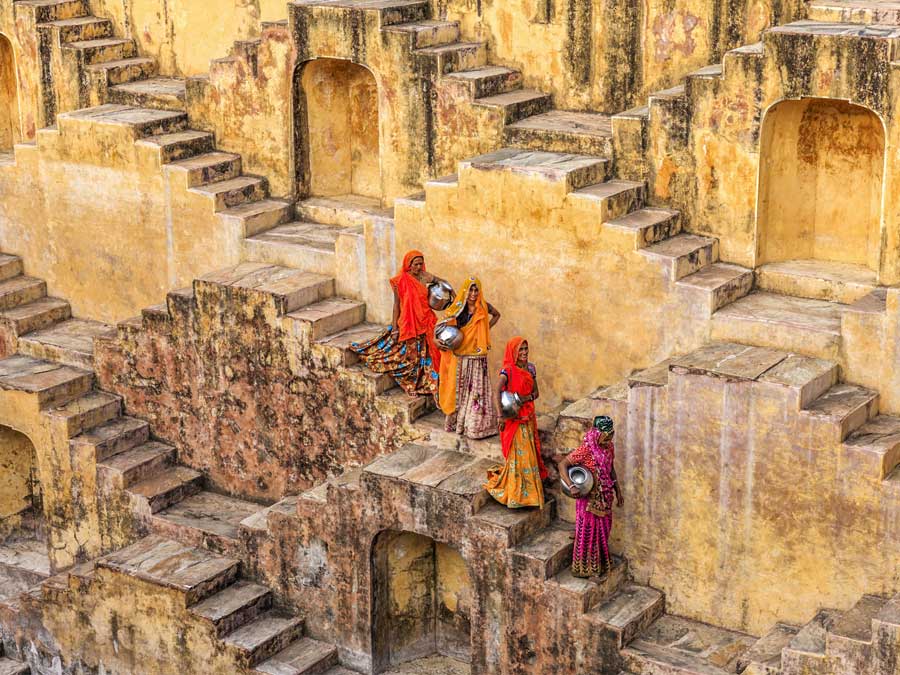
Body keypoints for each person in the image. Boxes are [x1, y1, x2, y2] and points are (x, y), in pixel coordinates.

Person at [351, 250, 445, 397]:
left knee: (425, 356)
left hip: (425, 321)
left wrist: (449, 294)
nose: (419, 267)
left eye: (421, 263)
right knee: (410, 358)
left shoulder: (425, 277)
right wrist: (395, 328)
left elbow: (442, 282)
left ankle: (425, 383)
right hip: (409, 322)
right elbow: (396, 305)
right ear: (409, 264)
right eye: (416, 264)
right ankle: (410, 385)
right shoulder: (400, 281)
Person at [483, 337, 546, 508]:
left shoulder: (531, 368)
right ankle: (517, 495)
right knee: (520, 456)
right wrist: (500, 416)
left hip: (527, 416)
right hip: (513, 419)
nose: (524, 353)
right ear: (514, 352)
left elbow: (536, 392)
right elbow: (496, 391)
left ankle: (530, 495)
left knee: (529, 455)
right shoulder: (507, 371)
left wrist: (524, 398)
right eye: (521, 350)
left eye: (526, 349)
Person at [558, 416, 623, 578]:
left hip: (605, 497)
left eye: (611, 435)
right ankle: (585, 567)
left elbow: (610, 468)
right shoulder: (586, 450)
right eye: (606, 435)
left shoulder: (609, 447)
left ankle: (600, 563)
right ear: (596, 433)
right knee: (589, 531)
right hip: (589, 500)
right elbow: (562, 465)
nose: (609, 439)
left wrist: (618, 490)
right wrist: (571, 486)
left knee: (604, 529)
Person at [437, 276, 501, 439]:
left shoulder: (483, 307)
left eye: (476, 289)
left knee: (477, 393)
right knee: (460, 391)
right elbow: (439, 327)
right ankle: (458, 424)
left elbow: (497, 315)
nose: (473, 293)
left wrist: (485, 330)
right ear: (466, 291)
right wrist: (436, 341)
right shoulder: (459, 309)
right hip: (462, 357)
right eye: (471, 289)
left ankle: (475, 426)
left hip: (478, 358)